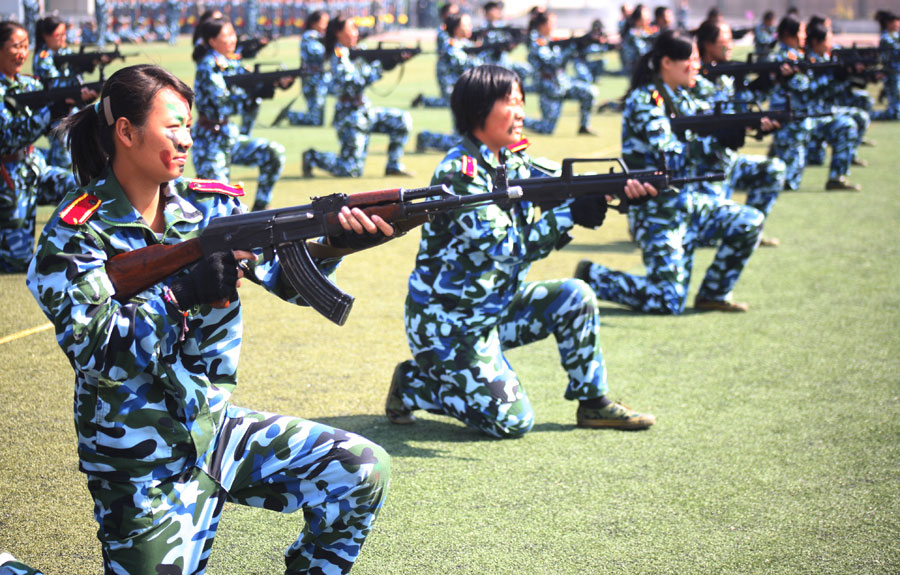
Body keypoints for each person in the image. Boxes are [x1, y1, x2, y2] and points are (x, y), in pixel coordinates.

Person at [25, 63, 391, 575]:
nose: (186, 139)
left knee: (361, 468)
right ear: (126, 132)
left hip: (214, 429)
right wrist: (181, 293)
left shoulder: (210, 209)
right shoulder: (75, 234)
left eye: (189, 126)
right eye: (172, 126)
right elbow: (97, 351)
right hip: (139, 456)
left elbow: (287, 281)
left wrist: (334, 244)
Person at [387, 64, 657, 437]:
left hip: (498, 308)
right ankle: (415, 382)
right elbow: (505, 246)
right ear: (478, 108)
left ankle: (594, 405)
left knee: (575, 296)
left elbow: (568, 184)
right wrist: (570, 215)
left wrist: (621, 191)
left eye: (521, 100)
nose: (520, 111)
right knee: (512, 422)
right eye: (509, 101)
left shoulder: (512, 160)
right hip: (451, 325)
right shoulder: (459, 175)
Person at [575, 30, 764, 314]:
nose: (697, 66)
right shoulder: (645, 101)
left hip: (688, 204)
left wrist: (747, 122)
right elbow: (671, 156)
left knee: (750, 221)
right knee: (667, 302)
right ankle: (594, 277)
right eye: (691, 60)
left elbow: (725, 109)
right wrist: (719, 139)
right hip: (657, 214)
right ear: (667, 62)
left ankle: (713, 293)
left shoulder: (685, 95)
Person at [693, 19, 786, 244]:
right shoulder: (693, 82)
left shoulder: (730, 76)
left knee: (774, 169)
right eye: (725, 41)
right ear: (707, 45)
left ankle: (750, 231)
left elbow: (743, 113)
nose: (731, 45)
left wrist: (757, 124)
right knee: (705, 236)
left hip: (729, 161)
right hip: (703, 169)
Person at [0, 20, 77, 273]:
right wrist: (49, 111)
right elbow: (9, 135)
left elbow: (50, 126)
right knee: (16, 263)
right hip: (8, 179)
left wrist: (71, 107)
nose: (22, 53)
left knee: (80, 186)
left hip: (34, 169)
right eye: (15, 46)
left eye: (25, 46)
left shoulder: (29, 85)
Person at [191, 16, 288, 211]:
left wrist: (275, 83)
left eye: (233, 33)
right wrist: (254, 95)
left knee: (273, 153)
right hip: (210, 142)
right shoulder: (208, 66)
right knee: (222, 202)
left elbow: (252, 79)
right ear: (212, 41)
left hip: (229, 137)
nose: (233, 39)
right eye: (226, 35)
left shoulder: (229, 62)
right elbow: (223, 104)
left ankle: (260, 209)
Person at [302, 15, 413, 177]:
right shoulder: (338, 54)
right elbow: (352, 84)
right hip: (349, 117)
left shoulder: (356, 51)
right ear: (338, 33)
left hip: (365, 111)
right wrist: (380, 67)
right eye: (350, 29)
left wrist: (393, 60)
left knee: (401, 120)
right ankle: (313, 157)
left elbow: (370, 67)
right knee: (351, 170)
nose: (355, 33)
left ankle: (393, 165)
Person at [767, 16, 860, 191]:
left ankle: (836, 178)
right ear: (789, 34)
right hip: (792, 124)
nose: (805, 35)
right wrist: (832, 76)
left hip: (808, 118)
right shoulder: (783, 57)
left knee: (846, 125)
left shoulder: (800, 55)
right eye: (801, 31)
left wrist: (842, 75)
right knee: (787, 184)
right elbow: (804, 88)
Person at [32, 15, 100, 170]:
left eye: (64, 34)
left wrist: (89, 63)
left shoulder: (64, 52)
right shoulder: (43, 58)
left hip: (70, 106)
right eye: (59, 35)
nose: (63, 38)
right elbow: (55, 84)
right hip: (54, 110)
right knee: (63, 159)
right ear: (46, 36)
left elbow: (75, 70)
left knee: (82, 149)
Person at [524, 10, 599, 135]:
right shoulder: (536, 42)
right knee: (546, 129)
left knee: (589, 92)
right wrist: (570, 48)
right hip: (549, 88)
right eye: (551, 23)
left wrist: (581, 44)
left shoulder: (552, 40)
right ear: (542, 25)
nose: (554, 26)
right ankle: (518, 120)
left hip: (563, 82)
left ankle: (584, 126)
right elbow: (553, 62)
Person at [415, 12, 480, 153]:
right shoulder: (450, 45)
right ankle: (426, 138)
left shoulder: (465, 44)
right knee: (461, 142)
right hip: (456, 94)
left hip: (467, 93)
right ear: (456, 28)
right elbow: (467, 64)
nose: (470, 27)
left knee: (470, 136)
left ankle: (427, 138)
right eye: (466, 25)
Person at [271, 10, 331, 127]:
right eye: (324, 22)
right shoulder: (309, 37)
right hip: (311, 80)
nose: (326, 26)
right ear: (314, 23)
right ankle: (290, 115)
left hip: (320, 79)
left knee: (319, 119)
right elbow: (319, 54)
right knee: (316, 120)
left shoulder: (320, 38)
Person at [873, 10, 900, 120]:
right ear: (889, 23)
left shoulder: (893, 36)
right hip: (892, 74)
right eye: (896, 22)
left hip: (896, 74)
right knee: (895, 109)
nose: (898, 24)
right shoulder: (886, 38)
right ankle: (873, 115)